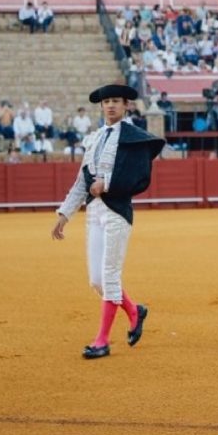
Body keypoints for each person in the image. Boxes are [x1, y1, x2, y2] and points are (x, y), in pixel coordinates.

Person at [51, 84, 165, 360]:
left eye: (115, 101)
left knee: (110, 275)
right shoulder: (95, 138)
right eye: (106, 102)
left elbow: (140, 177)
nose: (111, 105)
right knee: (96, 280)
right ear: (101, 106)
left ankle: (101, 340)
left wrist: (107, 183)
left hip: (117, 212)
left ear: (126, 105)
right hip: (94, 212)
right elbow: (82, 181)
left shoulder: (133, 138)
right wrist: (64, 214)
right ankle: (134, 310)